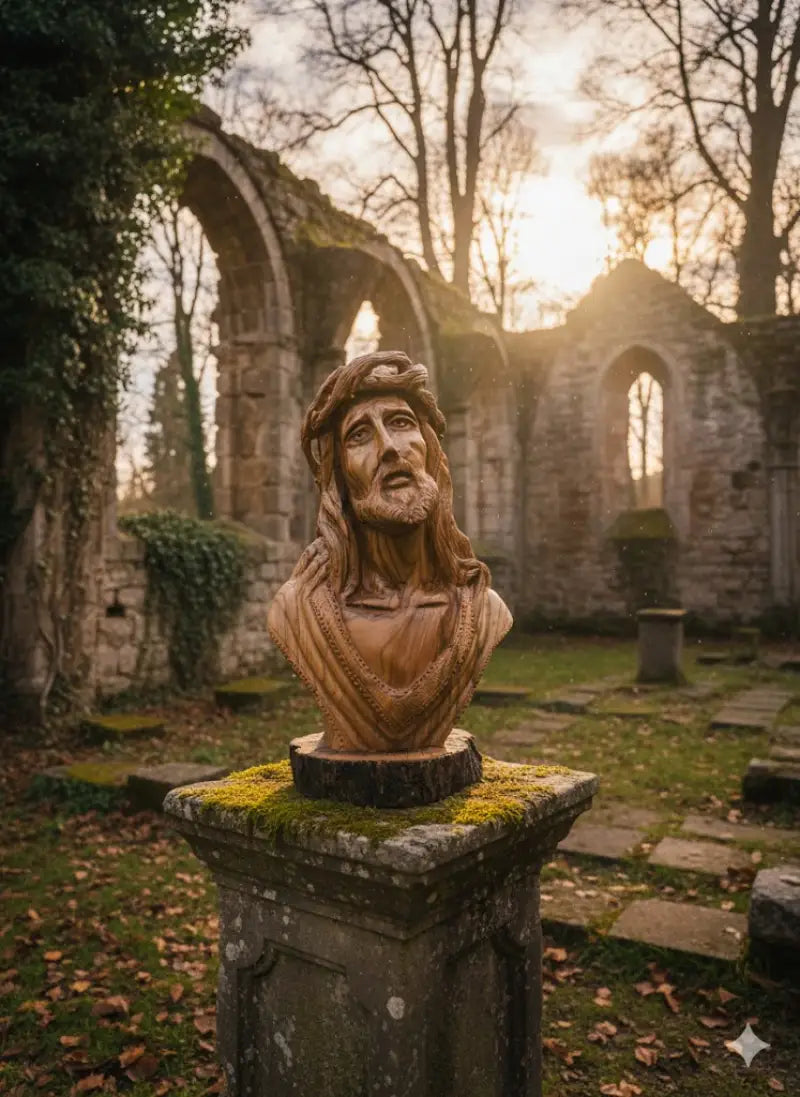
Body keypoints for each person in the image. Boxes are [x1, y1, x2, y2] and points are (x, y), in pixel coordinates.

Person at [268, 350, 512, 752]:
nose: (388, 447)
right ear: (340, 477)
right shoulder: (298, 610)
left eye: (401, 423)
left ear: (431, 451)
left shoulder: (484, 611)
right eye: (359, 435)